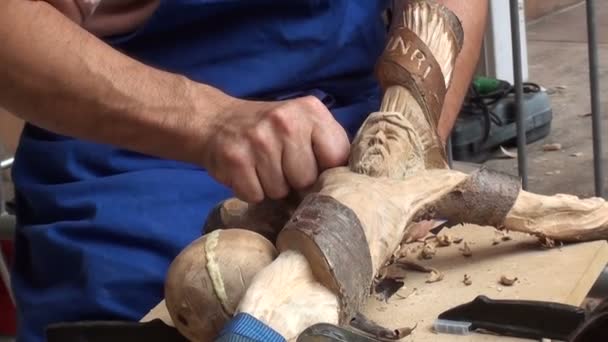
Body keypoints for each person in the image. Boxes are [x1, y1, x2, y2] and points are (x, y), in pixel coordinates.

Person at [0, 0, 488, 341]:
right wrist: (212, 122)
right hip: (136, 157)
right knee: (191, 300)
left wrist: (412, 139)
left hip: (350, 138)